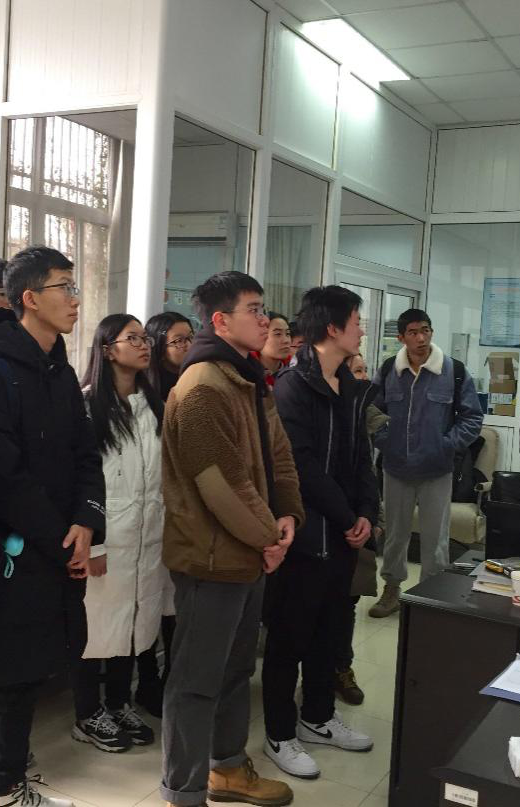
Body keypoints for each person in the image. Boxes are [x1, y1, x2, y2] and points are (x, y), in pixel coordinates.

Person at [0, 246, 104, 807]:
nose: (76, 300)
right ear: (30, 298)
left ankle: (8, 784)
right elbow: (4, 476)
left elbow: (86, 455)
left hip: (56, 548)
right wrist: (60, 538)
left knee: (30, 674)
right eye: (65, 287)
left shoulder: (58, 370)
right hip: (11, 556)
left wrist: (86, 522)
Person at [160, 271, 304, 807]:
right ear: (220, 321)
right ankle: (184, 790)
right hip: (211, 558)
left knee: (237, 670)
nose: (265, 320)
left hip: (249, 552)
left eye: (264, 309)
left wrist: (288, 514)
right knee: (196, 680)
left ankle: (226, 770)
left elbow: (279, 455)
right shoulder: (202, 386)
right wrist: (271, 537)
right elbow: (220, 484)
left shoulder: (247, 377)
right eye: (254, 310)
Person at [262, 286, 379, 780]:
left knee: (328, 637)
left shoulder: (349, 386)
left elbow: (361, 458)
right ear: (332, 328)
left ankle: (318, 717)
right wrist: (346, 515)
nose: (362, 330)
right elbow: (301, 467)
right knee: (289, 639)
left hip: (344, 537)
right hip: (306, 537)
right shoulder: (293, 387)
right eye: (356, 321)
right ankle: (279, 733)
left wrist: (367, 511)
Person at [75, 313, 166, 752]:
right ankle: (87, 712)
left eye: (145, 337)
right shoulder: (87, 405)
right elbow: (80, 480)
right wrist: (95, 543)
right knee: (95, 628)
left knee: (133, 621)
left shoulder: (154, 405)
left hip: (147, 537)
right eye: (133, 338)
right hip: (107, 536)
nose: (144, 344)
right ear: (108, 349)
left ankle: (118, 702)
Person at [370, 309, 483, 617]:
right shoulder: (389, 370)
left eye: (426, 330)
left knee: (436, 541)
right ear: (401, 337)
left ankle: (430, 598)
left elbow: (472, 418)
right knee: (395, 537)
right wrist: (386, 441)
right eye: (413, 332)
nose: (421, 338)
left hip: (437, 470)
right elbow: (372, 411)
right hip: (396, 469)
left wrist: (446, 445)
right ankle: (391, 589)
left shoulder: (453, 371)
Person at [141, 310, 194, 709]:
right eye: (178, 340)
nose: (187, 346)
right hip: (149, 507)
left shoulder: (195, 384)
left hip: (183, 509)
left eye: (191, 337)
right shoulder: (145, 393)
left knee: (176, 605)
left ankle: (171, 679)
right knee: (150, 602)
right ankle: (148, 683)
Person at [333, 354, 386, 706]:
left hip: (360, 519)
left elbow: (369, 473)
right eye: (356, 371)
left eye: (366, 370)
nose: (364, 377)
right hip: (331, 520)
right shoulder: (327, 414)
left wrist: (373, 517)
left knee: (348, 603)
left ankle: (342, 668)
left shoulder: (366, 413)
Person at [146, 310, 194, 403]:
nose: (189, 345)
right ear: (160, 348)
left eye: (191, 337)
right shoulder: (144, 388)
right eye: (179, 340)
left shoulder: (198, 375)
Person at [254, 311, 291, 386]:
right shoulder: (246, 372)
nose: (286, 340)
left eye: (287, 333)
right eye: (278, 334)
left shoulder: (296, 370)